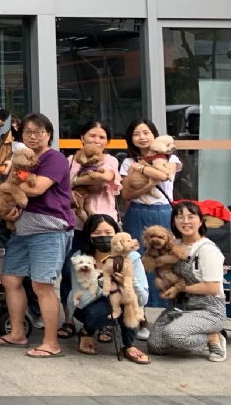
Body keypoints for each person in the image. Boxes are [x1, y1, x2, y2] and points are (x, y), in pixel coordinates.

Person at [0, 113, 73, 358]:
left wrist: (7, 186)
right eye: (28, 131)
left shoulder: (54, 158)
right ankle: (17, 334)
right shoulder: (21, 159)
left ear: (49, 134)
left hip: (49, 230)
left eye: (39, 131)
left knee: (42, 285)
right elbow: (14, 193)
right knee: (10, 279)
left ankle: (51, 343)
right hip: (23, 229)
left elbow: (36, 189)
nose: (33, 136)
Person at [60, 214, 150, 363]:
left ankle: (129, 344)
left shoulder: (132, 257)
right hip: (90, 304)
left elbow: (143, 298)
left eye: (108, 233)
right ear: (89, 236)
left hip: (125, 298)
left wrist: (129, 281)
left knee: (129, 306)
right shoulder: (81, 259)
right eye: (97, 233)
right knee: (99, 313)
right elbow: (81, 300)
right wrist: (105, 284)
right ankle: (86, 331)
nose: (103, 237)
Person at [147, 201, 227, 362]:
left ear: (200, 221)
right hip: (179, 306)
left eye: (191, 217)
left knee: (174, 334)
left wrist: (179, 288)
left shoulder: (208, 249)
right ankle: (185, 332)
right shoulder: (173, 244)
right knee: (155, 345)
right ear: (174, 221)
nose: (185, 221)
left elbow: (212, 288)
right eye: (180, 217)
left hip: (208, 309)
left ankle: (212, 337)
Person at [121, 118, 181, 314]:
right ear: (131, 139)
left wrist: (141, 168)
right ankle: (140, 312)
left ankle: (168, 309)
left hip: (163, 211)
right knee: (136, 259)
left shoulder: (171, 158)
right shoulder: (128, 161)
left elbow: (165, 175)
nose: (142, 137)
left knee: (166, 260)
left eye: (146, 132)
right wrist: (147, 185)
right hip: (137, 212)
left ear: (154, 135)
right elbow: (126, 194)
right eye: (136, 134)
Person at [68, 121, 121, 228]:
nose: (97, 140)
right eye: (92, 136)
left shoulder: (110, 160)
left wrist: (75, 181)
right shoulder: (71, 160)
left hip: (103, 222)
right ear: (82, 138)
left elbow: (103, 178)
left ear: (107, 141)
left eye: (102, 137)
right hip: (74, 223)